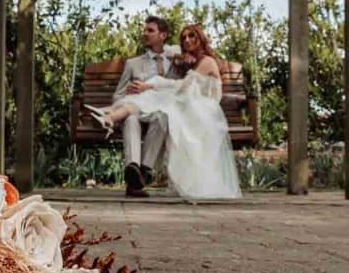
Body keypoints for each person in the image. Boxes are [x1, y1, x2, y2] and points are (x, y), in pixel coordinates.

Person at [86, 24, 242, 199]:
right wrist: (181, 58)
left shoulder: (206, 62)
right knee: (149, 102)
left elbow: (184, 86)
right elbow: (170, 53)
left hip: (201, 111)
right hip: (186, 104)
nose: (187, 40)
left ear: (201, 39)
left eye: (192, 37)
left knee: (157, 100)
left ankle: (109, 116)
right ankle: (109, 117)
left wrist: (151, 85)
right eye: (184, 38)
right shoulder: (180, 59)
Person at [111, 16, 182, 197]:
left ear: (163, 35)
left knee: (162, 116)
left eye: (150, 30)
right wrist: (127, 95)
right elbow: (117, 95)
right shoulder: (133, 63)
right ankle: (133, 167)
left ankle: (144, 171)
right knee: (131, 118)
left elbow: (183, 88)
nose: (145, 34)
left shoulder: (175, 62)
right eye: (145, 30)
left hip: (161, 112)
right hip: (136, 110)